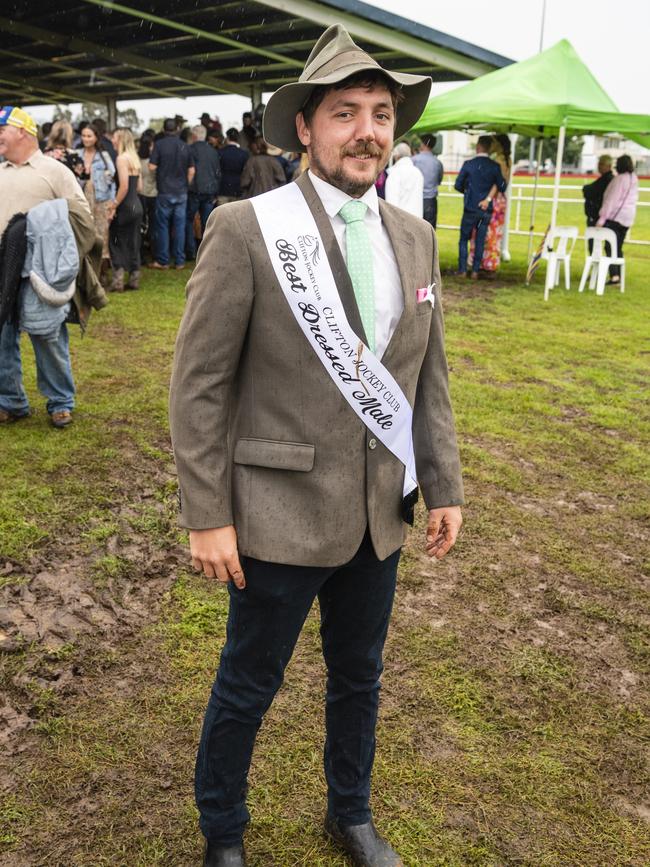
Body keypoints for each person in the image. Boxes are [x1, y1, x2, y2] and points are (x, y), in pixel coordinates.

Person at [169, 24, 463, 867]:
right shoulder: (246, 227)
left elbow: (427, 376)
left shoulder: (414, 236)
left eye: (380, 113)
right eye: (345, 113)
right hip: (276, 511)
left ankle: (351, 812)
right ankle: (224, 830)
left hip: (379, 516)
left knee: (360, 676)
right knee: (248, 682)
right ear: (306, 127)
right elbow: (199, 385)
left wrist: (442, 483)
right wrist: (207, 513)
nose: (367, 130)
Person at [0, 106, 90, 428]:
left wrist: (59, 257)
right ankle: (10, 401)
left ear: (22, 132)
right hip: (2, 269)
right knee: (1, 336)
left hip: (41, 272)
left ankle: (60, 402)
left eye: (1, 129)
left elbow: (83, 220)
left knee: (48, 336)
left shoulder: (54, 171)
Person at [454, 135, 507, 279]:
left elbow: (457, 185)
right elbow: (502, 186)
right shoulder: (494, 166)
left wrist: (468, 190)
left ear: (478, 146)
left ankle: (462, 269)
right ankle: (476, 270)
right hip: (485, 210)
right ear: (489, 148)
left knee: (464, 239)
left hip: (470, 208)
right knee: (479, 240)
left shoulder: (468, 164)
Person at [148, 117, 195, 270]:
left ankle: (163, 260)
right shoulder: (185, 146)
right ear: (177, 129)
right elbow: (191, 170)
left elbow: (152, 167)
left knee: (163, 226)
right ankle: (180, 261)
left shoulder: (159, 145)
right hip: (181, 191)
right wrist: (185, 184)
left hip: (164, 191)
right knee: (180, 226)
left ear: (163, 130)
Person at [77, 121, 116, 283]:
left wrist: (112, 204)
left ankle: (102, 274)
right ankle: (86, 274)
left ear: (96, 137)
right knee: (84, 234)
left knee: (102, 236)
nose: (86, 139)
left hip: (101, 199)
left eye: (89, 136)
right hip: (82, 197)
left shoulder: (104, 156)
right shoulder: (76, 154)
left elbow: (112, 180)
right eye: (84, 135)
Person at [469, 134, 512, 277]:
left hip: (493, 198)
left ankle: (486, 264)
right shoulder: (507, 159)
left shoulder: (498, 160)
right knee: (495, 233)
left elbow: (497, 183)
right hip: (501, 200)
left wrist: (488, 198)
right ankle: (490, 263)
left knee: (488, 233)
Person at [108, 128, 143, 291]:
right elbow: (140, 187)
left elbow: (124, 186)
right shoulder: (135, 158)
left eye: (114, 138)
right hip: (136, 205)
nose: (112, 140)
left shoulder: (121, 159)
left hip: (125, 206)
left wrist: (113, 204)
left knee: (117, 241)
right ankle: (134, 279)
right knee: (133, 242)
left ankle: (118, 282)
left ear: (120, 139)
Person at [597, 154, 638, 285]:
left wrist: (602, 219)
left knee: (610, 246)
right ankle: (619, 275)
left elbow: (611, 200)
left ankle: (614, 276)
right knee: (618, 246)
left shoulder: (619, 179)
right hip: (628, 217)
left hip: (616, 217)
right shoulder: (634, 178)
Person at [186, 124, 221, 260]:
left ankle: (191, 251)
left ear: (194, 136)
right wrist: (215, 191)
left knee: (189, 221)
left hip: (194, 190)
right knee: (207, 223)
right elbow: (218, 173)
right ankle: (207, 252)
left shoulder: (190, 150)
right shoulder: (213, 151)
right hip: (210, 191)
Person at [412, 133, 444, 230]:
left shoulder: (413, 160)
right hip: (430, 201)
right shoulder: (437, 163)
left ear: (423, 144)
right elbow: (439, 180)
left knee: (414, 229)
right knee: (430, 231)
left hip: (415, 198)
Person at [384, 141, 423, 216]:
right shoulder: (418, 172)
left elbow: (391, 205)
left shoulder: (394, 173)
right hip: (417, 220)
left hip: (400, 221)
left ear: (396, 156)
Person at [583, 155, 613, 252]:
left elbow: (590, 191)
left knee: (595, 245)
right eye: (599, 163)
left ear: (608, 166)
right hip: (601, 216)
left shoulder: (607, 179)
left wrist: (585, 188)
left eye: (601, 164)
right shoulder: (607, 179)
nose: (599, 166)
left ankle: (598, 264)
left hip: (599, 217)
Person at [138, 132, 157, 265]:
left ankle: (141, 254)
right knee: (153, 226)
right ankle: (152, 253)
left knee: (141, 226)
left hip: (140, 194)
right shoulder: (153, 163)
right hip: (153, 194)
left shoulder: (137, 162)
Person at [217, 127, 249, 205]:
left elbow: (217, 171)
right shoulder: (244, 154)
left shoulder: (220, 153)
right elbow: (246, 172)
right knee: (236, 215)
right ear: (237, 139)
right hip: (238, 188)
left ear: (227, 138)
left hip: (223, 188)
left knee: (223, 215)